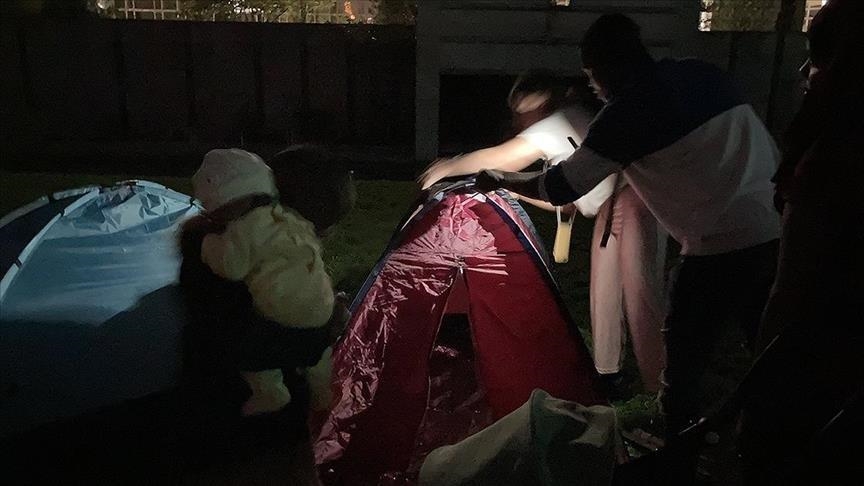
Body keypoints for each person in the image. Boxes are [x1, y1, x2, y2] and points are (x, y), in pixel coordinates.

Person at [473, 13, 782, 467]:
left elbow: (562, 186)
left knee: (685, 358)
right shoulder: (702, 74)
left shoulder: (628, 113)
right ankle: (774, 441)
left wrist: (503, 179)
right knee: (770, 347)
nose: (592, 86)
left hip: (716, 246)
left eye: (592, 75)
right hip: (774, 232)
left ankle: (679, 453)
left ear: (607, 68)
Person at [419, 71, 667, 394]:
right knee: (605, 292)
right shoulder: (567, 124)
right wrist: (510, 189)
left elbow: (501, 157)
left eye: (521, 108)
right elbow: (564, 200)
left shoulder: (559, 121)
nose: (520, 120)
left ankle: (662, 384)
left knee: (641, 294)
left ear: (539, 101)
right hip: (614, 204)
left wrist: (450, 166)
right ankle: (609, 374)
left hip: (634, 199)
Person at [736, 1, 864, 483]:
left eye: (818, 55)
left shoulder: (832, 156)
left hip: (817, 351)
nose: (804, 71)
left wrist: (757, 404)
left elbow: (792, 289)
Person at [178, 146, 355, 482]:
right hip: (244, 433)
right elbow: (249, 341)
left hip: (242, 420)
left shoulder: (243, 244)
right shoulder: (222, 263)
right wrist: (324, 329)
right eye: (325, 227)